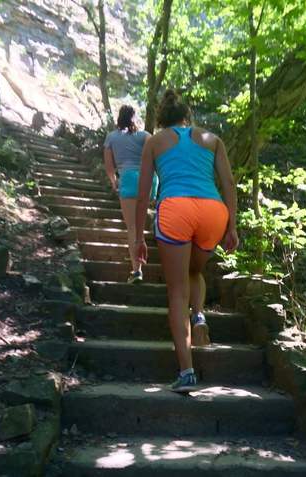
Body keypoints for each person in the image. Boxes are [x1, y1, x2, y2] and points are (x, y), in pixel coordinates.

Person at [135, 90, 239, 392]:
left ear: (161, 118)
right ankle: (200, 314)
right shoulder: (212, 139)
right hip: (212, 211)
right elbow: (228, 183)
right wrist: (232, 226)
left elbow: (143, 194)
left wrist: (137, 237)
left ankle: (187, 372)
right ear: (187, 116)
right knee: (194, 271)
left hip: (176, 208)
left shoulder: (154, 142)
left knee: (177, 290)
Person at [104, 105, 158, 284]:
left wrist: (114, 182)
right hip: (146, 180)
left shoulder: (111, 138)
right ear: (134, 118)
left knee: (133, 228)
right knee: (141, 225)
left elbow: (109, 166)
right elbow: (158, 153)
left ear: (119, 118)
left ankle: (137, 271)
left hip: (126, 179)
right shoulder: (144, 136)